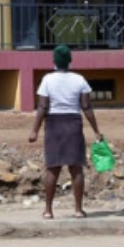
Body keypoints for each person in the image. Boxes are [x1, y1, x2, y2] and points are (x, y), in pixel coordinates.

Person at [26, 45, 101, 219]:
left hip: (53, 124)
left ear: (54, 61)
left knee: (53, 169)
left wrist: (34, 130)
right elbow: (86, 106)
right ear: (70, 60)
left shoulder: (47, 79)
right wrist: (96, 130)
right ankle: (78, 209)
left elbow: (43, 106)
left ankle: (48, 210)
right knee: (76, 169)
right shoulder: (80, 79)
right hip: (73, 124)